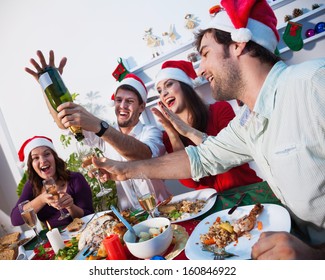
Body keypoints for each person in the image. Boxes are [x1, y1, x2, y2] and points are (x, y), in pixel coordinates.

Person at [89, 0, 325, 259]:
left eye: (205, 53)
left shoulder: (313, 84)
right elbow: (199, 159)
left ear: (238, 43)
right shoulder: (248, 122)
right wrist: (125, 170)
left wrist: (314, 256)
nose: (200, 68)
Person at [25, 52, 171, 211]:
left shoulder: (152, 132)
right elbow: (64, 120)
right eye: (118, 100)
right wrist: (50, 84)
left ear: (141, 107)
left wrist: (99, 126)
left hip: (162, 209)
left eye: (129, 101)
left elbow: (143, 155)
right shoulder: (105, 133)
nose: (122, 106)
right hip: (132, 216)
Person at [152, 59, 262, 192]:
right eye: (159, 91)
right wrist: (171, 132)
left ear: (185, 86)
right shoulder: (168, 136)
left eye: (169, 84)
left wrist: (188, 131)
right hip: (211, 206)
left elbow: (227, 156)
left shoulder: (220, 109)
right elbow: (190, 182)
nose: (163, 93)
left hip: (247, 190)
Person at [11, 136, 94, 228]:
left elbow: (90, 216)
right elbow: (15, 219)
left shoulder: (75, 178)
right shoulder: (32, 185)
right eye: (36, 158)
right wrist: (42, 199)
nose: (42, 161)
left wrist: (71, 207)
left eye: (47, 154)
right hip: (55, 238)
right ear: (31, 165)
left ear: (54, 157)